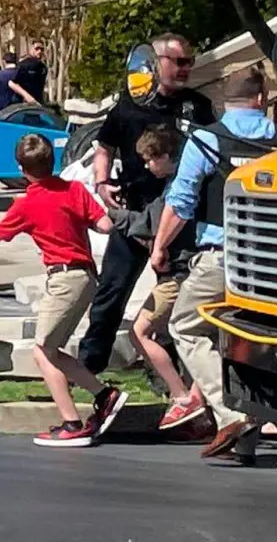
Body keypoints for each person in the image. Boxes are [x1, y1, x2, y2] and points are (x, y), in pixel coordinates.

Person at [157, 69, 277, 460]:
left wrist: (159, 248)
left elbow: (181, 203)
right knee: (250, 339)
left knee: (185, 326)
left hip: (225, 259)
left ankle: (229, 410)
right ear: (262, 98)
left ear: (224, 102)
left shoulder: (206, 141)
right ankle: (247, 439)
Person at [0, 134, 123, 447]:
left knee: (42, 351)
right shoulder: (74, 189)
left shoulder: (27, 204)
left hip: (63, 278)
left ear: (21, 169)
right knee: (53, 348)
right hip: (86, 276)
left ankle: (72, 421)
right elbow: (105, 225)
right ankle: (104, 395)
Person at [78, 32, 216, 374]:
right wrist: (102, 182)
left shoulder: (197, 106)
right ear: (156, 63)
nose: (185, 69)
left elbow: (216, 153)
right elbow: (104, 146)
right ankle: (90, 367)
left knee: (171, 299)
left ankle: (168, 375)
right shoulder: (129, 105)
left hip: (178, 218)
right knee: (111, 291)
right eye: (178, 62)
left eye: (190, 62)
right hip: (134, 211)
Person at [110, 125, 206, 431]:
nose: (148, 166)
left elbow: (148, 224)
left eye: (151, 160)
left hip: (177, 274)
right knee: (190, 337)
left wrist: (109, 214)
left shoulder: (175, 190)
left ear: (167, 156)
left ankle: (182, 396)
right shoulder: (191, 184)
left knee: (139, 332)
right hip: (188, 271)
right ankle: (196, 400)